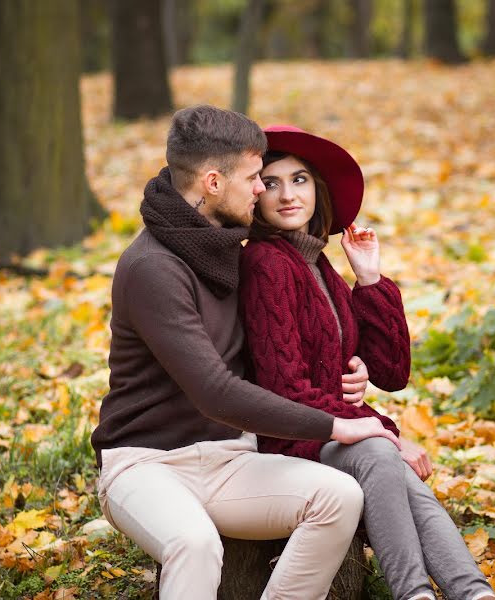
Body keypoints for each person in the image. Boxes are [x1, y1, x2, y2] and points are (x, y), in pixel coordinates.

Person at [90, 106, 403, 600]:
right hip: (145, 465)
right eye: (255, 177)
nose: (262, 190)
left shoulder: (230, 252)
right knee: (194, 544)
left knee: (338, 497)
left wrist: (347, 368)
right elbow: (214, 392)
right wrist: (336, 425)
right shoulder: (153, 267)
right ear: (214, 182)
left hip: (229, 459)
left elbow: (277, 347)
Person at [239, 125, 495, 600]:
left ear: (318, 188)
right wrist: (381, 429)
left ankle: (472, 593)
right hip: (290, 437)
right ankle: (417, 592)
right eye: (271, 183)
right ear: (253, 196)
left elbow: (391, 371)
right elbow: (285, 387)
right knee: (382, 453)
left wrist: (370, 277)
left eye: (299, 180)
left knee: (395, 469)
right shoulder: (266, 264)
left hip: (330, 431)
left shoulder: (318, 265)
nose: (288, 194)